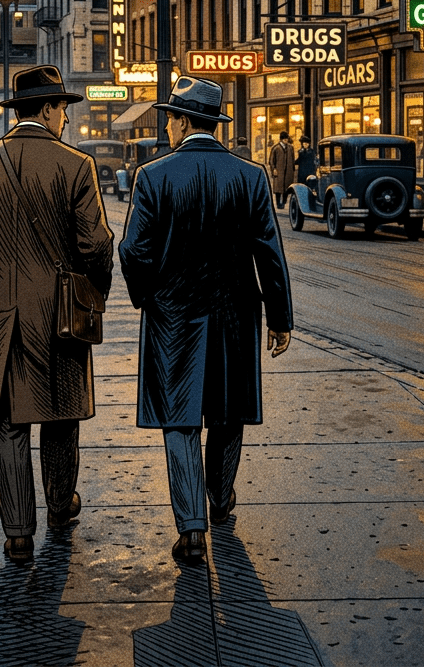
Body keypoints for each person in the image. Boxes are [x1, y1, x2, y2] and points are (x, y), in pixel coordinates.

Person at [0, 65, 113, 565]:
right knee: (60, 417)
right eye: (63, 109)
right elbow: (97, 245)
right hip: (59, 314)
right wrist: (92, 293)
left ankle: (18, 531)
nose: (66, 119)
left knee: (8, 423)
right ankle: (60, 506)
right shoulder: (76, 166)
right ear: (46, 109)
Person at [119, 76, 293, 567]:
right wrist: (280, 318)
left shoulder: (153, 177)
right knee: (227, 410)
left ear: (179, 121)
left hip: (173, 318)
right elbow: (270, 255)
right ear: (212, 124)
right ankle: (221, 495)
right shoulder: (251, 176)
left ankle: (191, 527)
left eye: (169, 119)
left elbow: (133, 251)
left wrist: (148, 296)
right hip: (236, 315)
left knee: (178, 420)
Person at [268, 130, 295, 208]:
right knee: (278, 189)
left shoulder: (290, 148)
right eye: (285, 140)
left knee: (286, 188)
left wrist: (292, 168)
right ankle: (278, 203)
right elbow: (271, 160)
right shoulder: (276, 148)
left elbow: (292, 159)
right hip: (279, 171)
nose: (286, 141)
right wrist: (274, 169)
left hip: (288, 171)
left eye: (287, 140)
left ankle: (284, 202)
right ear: (281, 140)